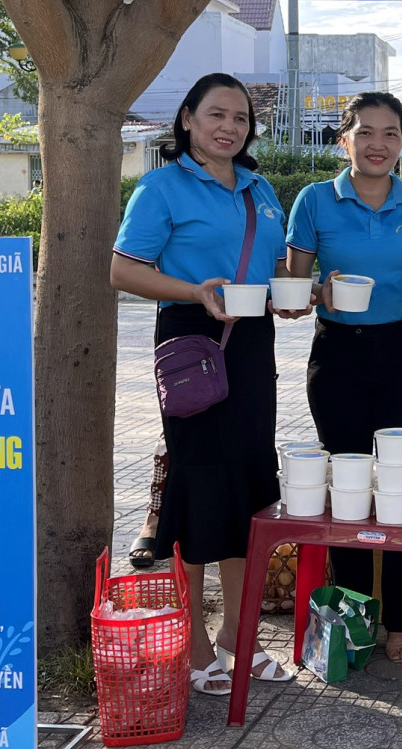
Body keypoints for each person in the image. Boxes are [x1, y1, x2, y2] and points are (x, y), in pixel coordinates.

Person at [111, 73, 296, 693]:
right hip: (192, 337)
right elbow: (123, 271)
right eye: (217, 114)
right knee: (199, 484)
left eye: (240, 118)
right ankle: (192, 646)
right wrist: (195, 290)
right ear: (187, 119)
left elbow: (270, 267)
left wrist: (295, 296)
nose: (229, 127)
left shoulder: (259, 189)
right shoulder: (160, 187)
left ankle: (238, 639)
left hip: (251, 341)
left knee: (248, 483)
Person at [284, 93, 402, 663]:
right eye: (366, 132)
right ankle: (352, 620)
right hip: (338, 356)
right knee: (349, 490)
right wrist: (313, 293)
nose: (379, 144)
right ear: (343, 139)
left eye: (391, 134)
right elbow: (294, 287)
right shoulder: (314, 201)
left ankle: (401, 623)